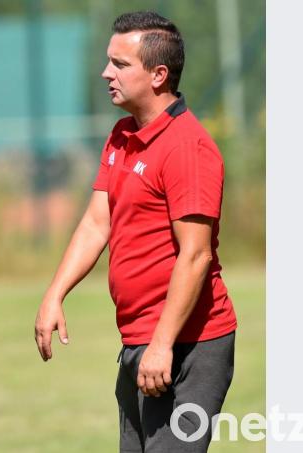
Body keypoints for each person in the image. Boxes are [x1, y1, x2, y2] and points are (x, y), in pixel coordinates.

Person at [34, 11, 237, 452]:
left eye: (121, 64)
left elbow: (196, 255)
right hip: (138, 340)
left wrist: (162, 346)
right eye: (109, 61)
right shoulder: (122, 134)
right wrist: (54, 294)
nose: (107, 73)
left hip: (187, 345)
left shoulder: (187, 147)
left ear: (158, 74)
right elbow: (95, 222)